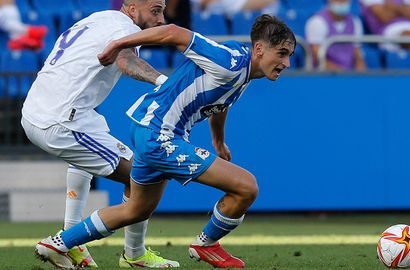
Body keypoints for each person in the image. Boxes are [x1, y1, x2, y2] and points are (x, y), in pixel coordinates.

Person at [33, 14, 295, 269]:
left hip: (148, 130)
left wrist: (218, 139)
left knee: (136, 209)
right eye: (281, 53)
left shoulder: (244, 70)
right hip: (160, 135)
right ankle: (206, 245)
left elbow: (220, 101)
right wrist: (118, 44)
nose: (286, 63)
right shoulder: (230, 61)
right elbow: (174, 32)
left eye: (289, 55)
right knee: (246, 187)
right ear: (259, 49)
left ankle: (58, 243)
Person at [22, 0, 179, 268]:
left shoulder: (98, 18)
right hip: (62, 121)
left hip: (43, 110)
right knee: (145, 175)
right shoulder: (122, 28)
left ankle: (76, 244)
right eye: (155, 10)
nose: (161, 19)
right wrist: (164, 82)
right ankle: (128, 253)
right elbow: (126, 59)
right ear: (131, 9)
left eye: (162, 10)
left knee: (87, 159)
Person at [305, 0, 366, 71]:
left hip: (347, 75)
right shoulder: (317, 22)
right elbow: (317, 58)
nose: (342, 2)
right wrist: (341, 74)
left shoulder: (356, 22)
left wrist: (361, 74)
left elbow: (357, 55)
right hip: (324, 75)